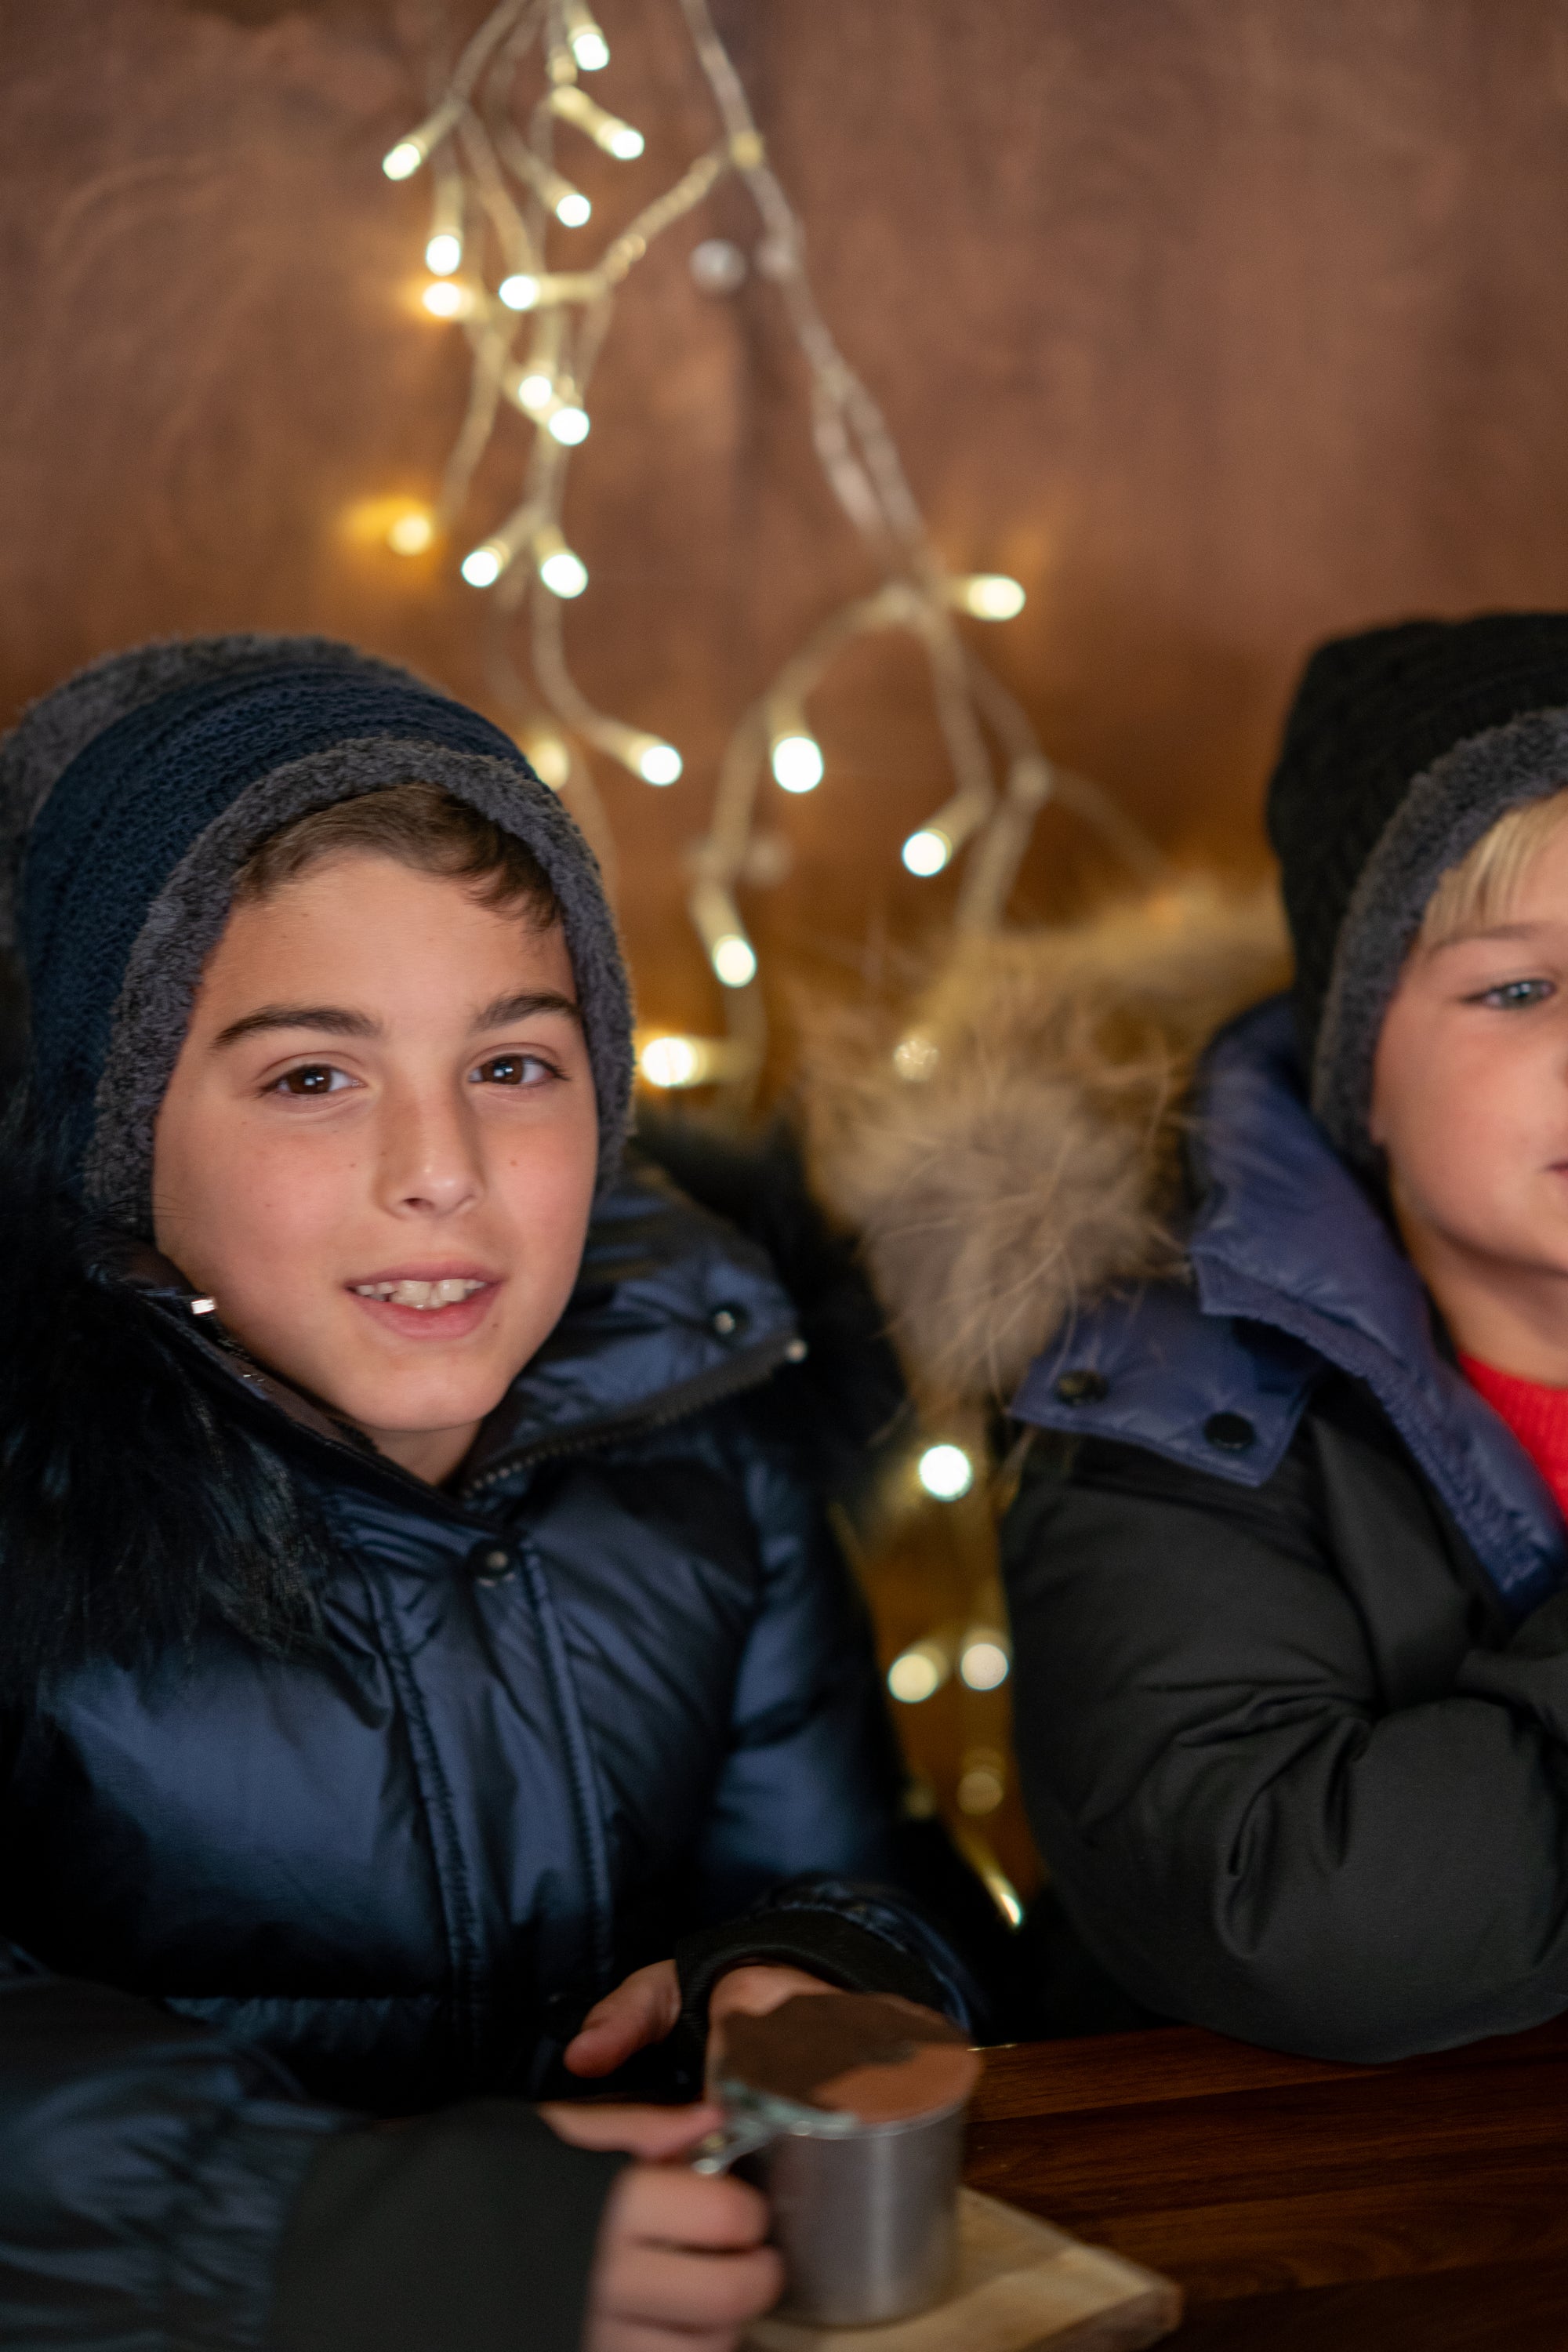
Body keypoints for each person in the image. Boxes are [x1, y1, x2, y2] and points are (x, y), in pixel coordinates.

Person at [0, 634, 978, 2350]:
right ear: (119, 1128)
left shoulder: (704, 1427)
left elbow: (860, 1872)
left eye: (513, 1065)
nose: (439, 1173)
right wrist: (320, 2227)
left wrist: (809, 1973)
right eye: (314, 1077)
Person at [811, 611, 1568, 2063]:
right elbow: (1301, 1910)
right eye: (1517, 989)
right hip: (1321, 2215)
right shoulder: (1161, 1386)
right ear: (1365, 1072)